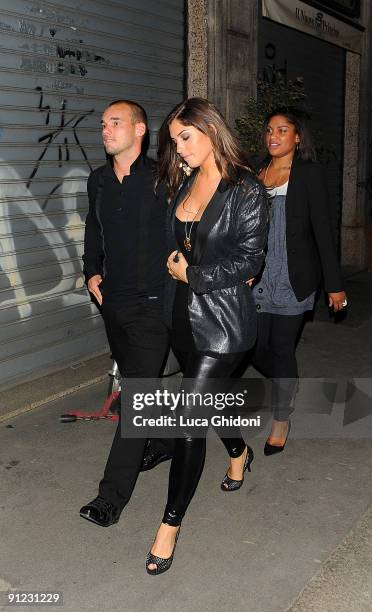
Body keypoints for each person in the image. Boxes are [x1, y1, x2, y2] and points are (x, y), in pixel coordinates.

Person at [145, 97, 268, 575]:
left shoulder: (246, 189)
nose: (179, 149)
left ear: (211, 131)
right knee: (211, 403)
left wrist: (192, 275)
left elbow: (249, 261)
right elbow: (178, 241)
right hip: (183, 317)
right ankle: (238, 451)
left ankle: (168, 527)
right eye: (174, 141)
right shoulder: (185, 181)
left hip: (223, 323)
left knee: (189, 420)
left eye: (185, 138)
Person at [79, 99, 173, 527]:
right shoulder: (97, 180)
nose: (106, 129)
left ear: (140, 130)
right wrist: (91, 272)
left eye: (115, 122)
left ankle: (110, 497)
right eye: (103, 123)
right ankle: (168, 439)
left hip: (155, 304)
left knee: (136, 398)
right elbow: (93, 229)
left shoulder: (164, 179)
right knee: (141, 387)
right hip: (113, 302)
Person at [251, 107, 347, 454]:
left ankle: (281, 418)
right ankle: (285, 379)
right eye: (269, 130)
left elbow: (323, 231)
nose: (273, 136)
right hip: (257, 276)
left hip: (294, 276)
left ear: (297, 137)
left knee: (281, 347)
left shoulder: (309, 174)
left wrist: (335, 284)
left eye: (282, 130)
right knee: (253, 345)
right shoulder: (256, 171)